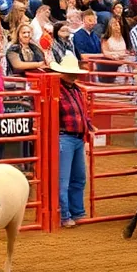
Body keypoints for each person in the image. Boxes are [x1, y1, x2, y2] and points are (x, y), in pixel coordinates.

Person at [49, 53, 89, 227]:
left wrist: (87, 126)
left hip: (76, 137)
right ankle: (65, 214)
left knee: (78, 177)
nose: (74, 75)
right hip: (65, 136)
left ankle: (76, 212)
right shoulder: (57, 89)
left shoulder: (75, 89)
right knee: (64, 180)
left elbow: (81, 112)